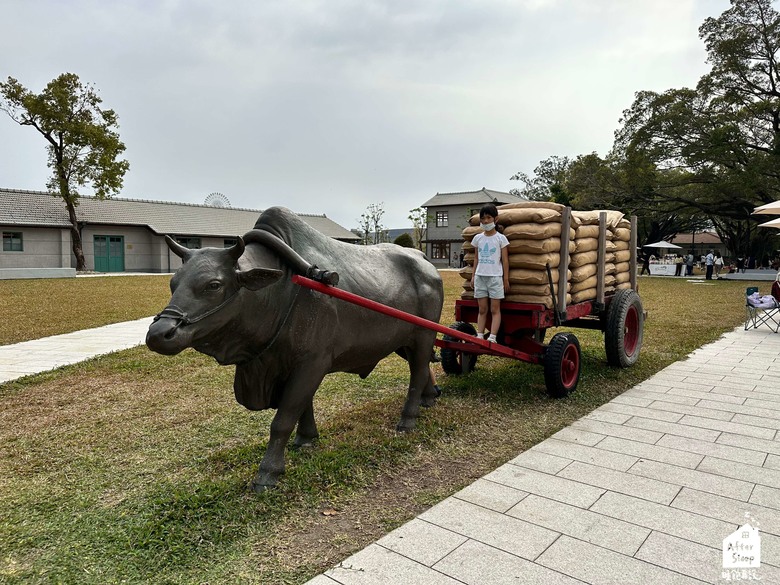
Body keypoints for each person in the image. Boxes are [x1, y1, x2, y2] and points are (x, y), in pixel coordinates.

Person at [470, 203, 509, 343]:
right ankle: (480, 335)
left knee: (494, 309)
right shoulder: (478, 238)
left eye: (489, 217)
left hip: (495, 278)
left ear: (495, 219)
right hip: (481, 277)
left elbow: (505, 261)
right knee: (482, 309)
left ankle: (492, 337)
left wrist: (506, 279)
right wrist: (473, 276)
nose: (486, 221)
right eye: (483, 218)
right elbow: (476, 258)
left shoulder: (501, 239)